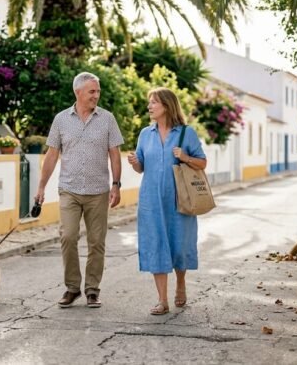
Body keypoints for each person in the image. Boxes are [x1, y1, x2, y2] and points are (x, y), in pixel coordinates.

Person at [35, 72, 124, 309]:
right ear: (78, 92)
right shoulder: (61, 120)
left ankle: (92, 289)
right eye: (92, 91)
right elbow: (52, 155)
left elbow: (114, 154)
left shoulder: (107, 119)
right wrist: (41, 186)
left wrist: (116, 184)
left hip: (98, 191)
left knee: (96, 242)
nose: (96, 95)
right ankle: (72, 288)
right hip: (69, 190)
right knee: (68, 236)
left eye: (98, 91)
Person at [127, 87, 207, 315]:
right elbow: (141, 167)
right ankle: (162, 300)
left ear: (167, 105)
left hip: (180, 200)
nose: (149, 106)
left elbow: (202, 163)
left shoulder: (186, 133)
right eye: (149, 102)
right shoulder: (145, 134)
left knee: (179, 245)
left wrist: (185, 157)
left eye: (154, 102)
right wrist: (135, 162)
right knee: (155, 244)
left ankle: (180, 283)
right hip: (151, 201)